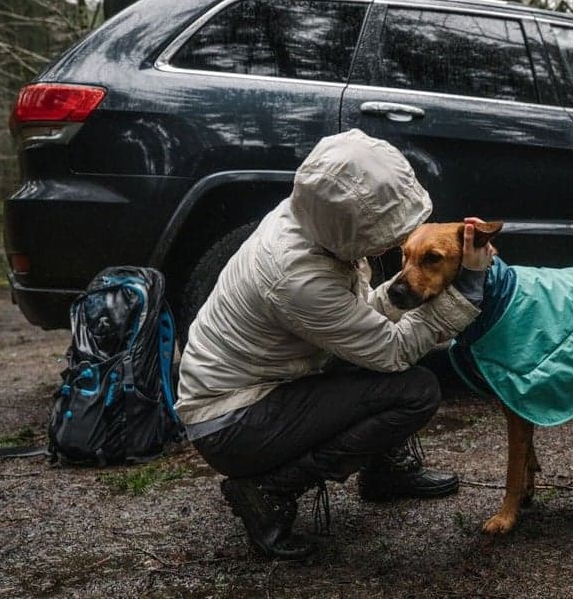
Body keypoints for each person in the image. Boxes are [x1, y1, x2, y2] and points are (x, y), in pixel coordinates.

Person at [175, 129, 493, 559]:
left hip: (259, 391)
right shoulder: (296, 277)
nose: (394, 237)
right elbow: (394, 351)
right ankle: (267, 491)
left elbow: (357, 323)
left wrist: (398, 295)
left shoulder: (311, 221)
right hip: (232, 424)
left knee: (368, 363)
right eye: (383, 227)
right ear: (348, 221)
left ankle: (383, 473)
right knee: (415, 391)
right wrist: (467, 288)